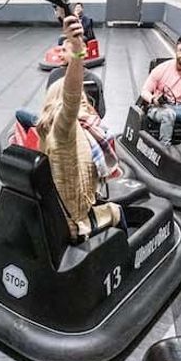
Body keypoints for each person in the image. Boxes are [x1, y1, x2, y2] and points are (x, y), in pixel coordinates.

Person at [36, 15, 122, 240]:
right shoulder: (64, 131)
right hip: (75, 219)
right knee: (115, 213)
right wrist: (77, 52)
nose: (85, 103)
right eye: (83, 101)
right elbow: (72, 96)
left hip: (58, 209)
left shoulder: (57, 131)